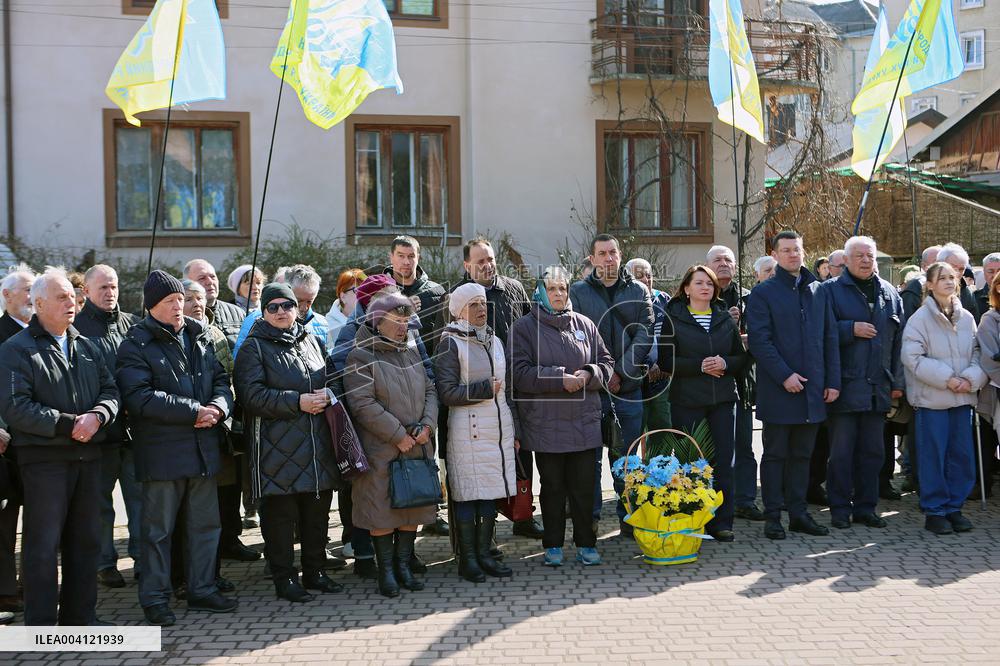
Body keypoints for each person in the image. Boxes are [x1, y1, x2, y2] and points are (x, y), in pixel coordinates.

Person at [116, 271, 237, 626]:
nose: (179, 307)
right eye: (170, 302)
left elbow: (221, 381)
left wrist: (218, 407)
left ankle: (202, 589)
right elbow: (138, 397)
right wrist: (193, 411)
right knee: (157, 533)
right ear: (151, 306)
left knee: (205, 526)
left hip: (203, 448)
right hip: (162, 454)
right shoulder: (135, 343)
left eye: (181, 300)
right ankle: (155, 599)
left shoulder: (199, 336)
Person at [0, 267, 119, 625]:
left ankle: (81, 617)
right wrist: (70, 424)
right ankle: (39, 622)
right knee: (43, 545)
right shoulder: (16, 350)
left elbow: (111, 391)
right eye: (62, 297)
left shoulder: (85, 345)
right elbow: (15, 407)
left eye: (73, 295)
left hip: (88, 456)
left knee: (85, 542)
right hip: (44, 461)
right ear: (37, 304)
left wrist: (98, 416)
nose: (73, 302)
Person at [235, 282, 344, 602]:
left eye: (287, 305)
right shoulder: (253, 347)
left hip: (316, 444)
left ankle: (316, 571)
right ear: (263, 311)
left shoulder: (311, 339)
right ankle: (284, 579)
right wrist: (297, 402)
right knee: (280, 518)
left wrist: (329, 391)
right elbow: (251, 396)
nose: (281, 312)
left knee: (317, 513)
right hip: (274, 448)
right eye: (273, 307)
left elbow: (329, 376)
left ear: (298, 308)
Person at [330, 273, 435, 580]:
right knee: (382, 512)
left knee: (410, 511)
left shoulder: (412, 351)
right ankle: (386, 572)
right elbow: (362, 403)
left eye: (407, 321)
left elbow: (430, 388)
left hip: (417, 444)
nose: (404, 327)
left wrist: (427, 425)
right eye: (397, 321)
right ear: (378, 321)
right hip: (381, 448)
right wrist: (397, 434)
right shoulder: (360, 355)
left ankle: (403, 568)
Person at [510, 266, 614, 566]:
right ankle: (553, 544)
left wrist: (589, 373)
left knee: (584, 489)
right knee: (553, 489)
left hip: (584, 422)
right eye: (552, 288)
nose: (558, 294)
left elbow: (607, 363)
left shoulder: (584, 324)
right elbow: (519, 373)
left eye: (563, 288)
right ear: (541, 292)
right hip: (546, 425)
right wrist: (560, 379)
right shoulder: (524, 328)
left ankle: (586, 543)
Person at [746, 231, 840, 540]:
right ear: (774, 255)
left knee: (804, 455)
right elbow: (760, 341)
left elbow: (830, 339)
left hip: (813, 390)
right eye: (785, 251)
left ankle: (799, 514)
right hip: (779, 390)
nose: (793, 255)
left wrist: (832, 382)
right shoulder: (763, 293)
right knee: (775, 455)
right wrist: (784, 375)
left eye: (797, 249)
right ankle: (773, 516)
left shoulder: (819, 290)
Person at [448, 239, 542, 540]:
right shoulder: (456, 298)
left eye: (490, 259)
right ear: (467, 266)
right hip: (473, 396)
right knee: (477, 464)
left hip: (514, 387)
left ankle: (523, 517)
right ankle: (475, 537)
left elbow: (530, 329)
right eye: (480, 261)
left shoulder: (514, 289)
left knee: (521, 455)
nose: (487, 265)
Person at [175, 280, 258, 599]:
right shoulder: (167, 338)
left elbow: (228, 379)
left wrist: (220, 408)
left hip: (216, 430)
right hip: (179, 434)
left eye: (200, 298)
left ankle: (210, 573)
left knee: (212, 510)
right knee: (183, 515)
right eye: (189, 298)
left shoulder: (216, 335)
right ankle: (181, 577)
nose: (197, 303)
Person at [570, 234, 653, 534]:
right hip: (592, 390)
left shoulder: (639, 290)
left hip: (628, 390)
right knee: (588, 461)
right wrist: (603, 374)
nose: (608, 258)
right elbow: (575, 338)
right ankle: (589, 522)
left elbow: (645, 333)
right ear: (592, 259)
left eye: (613, 252)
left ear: (620, 255)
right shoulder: (577, 291)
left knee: (627, 458)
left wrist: (620, 372)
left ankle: (631, 520)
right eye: (602, 253)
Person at [659, 265, 748, 541]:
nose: (705, 288)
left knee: (724, 462)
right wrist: (699, 366)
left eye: (709, 284)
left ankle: (722, 522)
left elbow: (741, 359)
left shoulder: (724, 318)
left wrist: (724, 362)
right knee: (692, 462)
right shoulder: (672, 318)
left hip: (722, 399)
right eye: (699, 283)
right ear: (686, 289)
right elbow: (664, 361)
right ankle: (693, 518)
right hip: (688, 400)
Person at [434, 283, 516, 581]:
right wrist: (483, 389)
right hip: (467, 432)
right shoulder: (450, 342)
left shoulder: (493, 339)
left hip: (495, 431)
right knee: (468, 496)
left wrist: (512, 429)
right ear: (459, 311)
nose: (481, 309)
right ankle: (468, 560)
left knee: (488, 497)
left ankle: (484, 554)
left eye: (483, 303)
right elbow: (447, 392)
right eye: (474, 305)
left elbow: (506, 391)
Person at [821, 237, 904, 530]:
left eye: (870, 255)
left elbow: (899, 343)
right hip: (843, 387)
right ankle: (840, 509)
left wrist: (898, 382)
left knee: (874, 453)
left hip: (877, 388)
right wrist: (850, 329)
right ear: (846, 259)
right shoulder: (830, 291)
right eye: (859, 256)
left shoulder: (890, 293)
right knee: (841, 454)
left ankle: (867, 508)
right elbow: (821, 335)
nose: (866, 260)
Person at [901, 262, 987, 534]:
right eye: (943, 278)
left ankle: (954, 508)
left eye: (953, 277)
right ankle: (935, 511)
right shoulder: (919, 320)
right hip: (932, 402)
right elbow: (912, 358)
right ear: (930, 284)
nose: (950, 282)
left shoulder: (967, 318)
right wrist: (948, 378)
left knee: (961, 456)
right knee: (933, 457)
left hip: (961, 400)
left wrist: (971, 379)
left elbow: (977, 353)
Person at [73, 265, 142, 589]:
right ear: (86, 291)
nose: (109, 292)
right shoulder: (76, 328)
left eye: (112, 286)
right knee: (100, 504)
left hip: (133, 431)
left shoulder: (132, 324)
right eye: (102, 287)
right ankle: (104, 562)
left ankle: (143, 559)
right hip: (99, 434)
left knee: (139, 500)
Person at [707, 245, 760, 520]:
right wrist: (724, 323)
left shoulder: (750, 299)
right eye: (717, 260)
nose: (724, 263)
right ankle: (713, 501)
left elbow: (760, 338)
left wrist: (745, 335)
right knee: (715, 447)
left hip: (743, 382)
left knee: (744, 445)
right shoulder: (702, 297)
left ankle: (746, 499)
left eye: (728, 259)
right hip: (711, 385)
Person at [0, 264, 34, 618]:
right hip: (5, 444)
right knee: (6, 521)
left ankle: (32, 583)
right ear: (6, 295)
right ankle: (5, 591)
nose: (30, 296)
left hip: (39, 443)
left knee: (41, 518)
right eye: (25, 289)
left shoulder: (46, 333)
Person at [625, 258, 673, 459]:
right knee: (632, 433)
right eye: (639, 275)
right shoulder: (623, 301)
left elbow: (672, 335)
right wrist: (645, 365)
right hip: (633, 377)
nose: (646, 279)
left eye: (648, 275)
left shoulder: (664, 299)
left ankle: (657, 479)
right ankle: (633, 483)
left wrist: (663, 364)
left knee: (662, 428)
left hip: (662, 377)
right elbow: (622, 340)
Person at [233, 265, 328, 357]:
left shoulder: (323, 323)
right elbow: (241, 362)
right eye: (299, 301)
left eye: (309, 301)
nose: (304, 307)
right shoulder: (254, 320)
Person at [384, 235, 446, 356]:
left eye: (411, 256)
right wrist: (405, 310)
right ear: (391, 257)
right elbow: (370, 331)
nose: (406, 262)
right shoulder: (378, 291)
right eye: (401, 256)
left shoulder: (437, 291)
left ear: (418, 257)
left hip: (428, 368)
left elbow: (445, 336)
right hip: (390, 366)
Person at [183, 259, 246, 348]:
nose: (210, 282)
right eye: (202, 278)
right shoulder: (181, 316)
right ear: (188, 283)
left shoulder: (238, 313)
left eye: (213, 277)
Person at [326, 269, 367, 353]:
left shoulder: (374, 321)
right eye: (357, 291)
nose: (363, 295)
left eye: (366, 291)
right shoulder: (327, 327)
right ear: (343, 296)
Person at [901, 246, 942, 319]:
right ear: (924, 266)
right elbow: (908, 322)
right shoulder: (914, 289)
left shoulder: (952, 285)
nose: (942, 265)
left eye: (943, 261)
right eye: (936, 261)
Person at [937, 243, 978, 316]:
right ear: (939, 264)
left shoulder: (967, 293)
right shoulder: (922, 288)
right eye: (952, 267)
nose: (957, 273)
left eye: (961, 269)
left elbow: (974, 323)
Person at [973, 252, 1000, 322]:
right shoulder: (974, 299)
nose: (995, 275)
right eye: (991, 271)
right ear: (984, 273)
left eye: (999, 271)